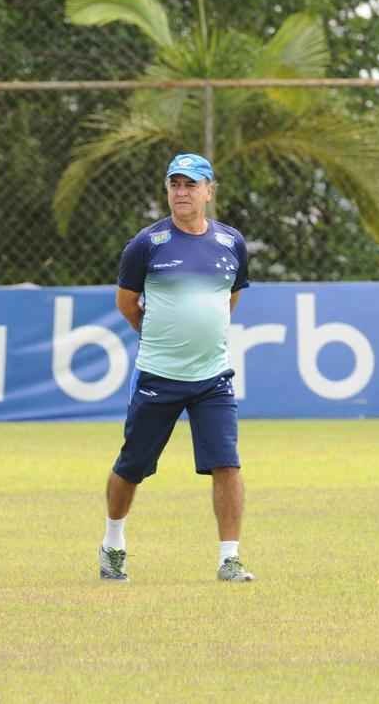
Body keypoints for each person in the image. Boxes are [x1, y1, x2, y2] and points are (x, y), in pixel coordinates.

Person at [102, 152, 254, 583]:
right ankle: (113, 543)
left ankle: (230, 557)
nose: (182, 192)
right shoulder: (146, 245)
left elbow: (231, 297)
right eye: (175, 185)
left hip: (214, 377)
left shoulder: (231, 244)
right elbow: (127, 304)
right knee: (132, 467)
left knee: (227, 464)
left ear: (208, 191)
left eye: (191, 184)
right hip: (158, 376)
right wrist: (159, 338)